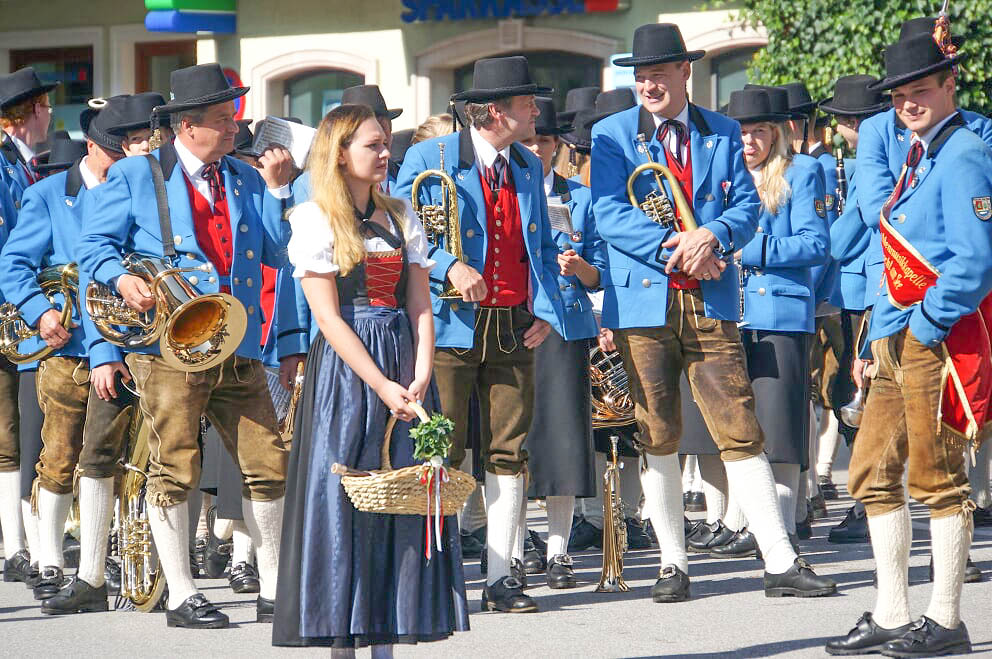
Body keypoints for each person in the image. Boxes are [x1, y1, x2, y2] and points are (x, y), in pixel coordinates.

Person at [591, 22, 836, 602]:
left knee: (739, 426)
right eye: (640, 75)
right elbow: (607, 211)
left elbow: (748, 205)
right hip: (645, 298)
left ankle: (778, 558)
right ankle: (672, 563)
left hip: (711, 296)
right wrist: (676, 246)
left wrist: (714, 236)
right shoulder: (611, 133)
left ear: (685, 72)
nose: (648, 85)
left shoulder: (721, 131)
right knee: (658, 432)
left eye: (658, 73)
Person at [76, 63, 295, 629]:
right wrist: (123, 280)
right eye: (223, 120)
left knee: (268, 460)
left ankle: (272, 584)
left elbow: (275, 253)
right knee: (175, 465)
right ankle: (181, 593)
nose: (233, 129)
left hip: (236, 339)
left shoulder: (244, 177)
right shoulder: (135, 174)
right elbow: (94, 249)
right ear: (188, 126)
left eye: (231, 119)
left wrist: (275, 191)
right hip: (168, 347)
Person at [272, 103, 468, 652]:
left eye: (386, 144)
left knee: (402, 493)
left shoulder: (402, 214)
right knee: (346, 497)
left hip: (402, 358)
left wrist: (421, 372)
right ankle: (343, 639)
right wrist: (381, 384)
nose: (385, 154)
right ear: (339, 152)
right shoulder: (313, 219)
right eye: (372, 145)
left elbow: (421, 305)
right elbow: (329, 318)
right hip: (348, 372)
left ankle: (387, 633)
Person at [826, 29, 992, 657]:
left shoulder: (965, 153)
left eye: (921, 90)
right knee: (869, 471)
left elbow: (975, 261)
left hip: (934, 338)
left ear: (950, 85)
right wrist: (882, 335)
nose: (908, 104)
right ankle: (893, 612)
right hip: (894, 335)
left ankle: (947, 619)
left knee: (937, 476)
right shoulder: (916, 155)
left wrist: (928, 323)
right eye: (899, 96)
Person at [395, 55, 566, 613]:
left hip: (513, 323)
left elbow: (537, 250)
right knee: (443, 447)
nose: (536, 110)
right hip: (448, 324)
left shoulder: (525, 166)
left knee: (508, 451)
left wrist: (548, 311)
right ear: (495, 111)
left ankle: (502, 575)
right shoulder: (428, 156)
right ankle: (435, 575)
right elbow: (402, 227)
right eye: (526, 103)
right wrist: (448, 265)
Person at [0, 96, 144, 609]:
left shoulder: (138, 189)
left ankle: (90, 572)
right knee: (57, 456)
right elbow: (13, 263)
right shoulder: (46, 195)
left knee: (102, 455)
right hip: (64, 344)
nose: (124, 160)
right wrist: (40, 311)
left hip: (121, 345)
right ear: (93, 147)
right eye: (115, 151)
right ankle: (47, 560)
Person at [729, 88, 830, 549]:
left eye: (758, 132)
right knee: (741, 426)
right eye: (742, 133)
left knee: (782, 428)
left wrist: (756, 249)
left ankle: (785, 527)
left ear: (776, 134)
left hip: (782, 313)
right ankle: (750, 522)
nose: (749, 142)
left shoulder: (803, 171)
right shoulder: (727, 178)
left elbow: (816, 244)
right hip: (731, 313)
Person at [518, 96, 604, 588]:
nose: (534, 148)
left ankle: (558, 550)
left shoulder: (581, 197)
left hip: (567, 324)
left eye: (543, 141)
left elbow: (601, 276)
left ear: (556, 146)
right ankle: (510, 548)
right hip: (517, 324)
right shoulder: (504, 188)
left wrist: (582, 268)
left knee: (565, 440)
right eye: (527, 140)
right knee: (511, 440)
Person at [816, 74, 891, 545]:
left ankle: (868, 501)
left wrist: (822, 244)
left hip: (865, 287)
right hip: (859, 287)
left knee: (860, 393)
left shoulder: (871, 154)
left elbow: (858, 221)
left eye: (845, 119)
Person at [0, 67, 55, 204]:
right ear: (37, 109)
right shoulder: (3, 160)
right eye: (48, 107)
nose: (49, 114)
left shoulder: (26, 161)